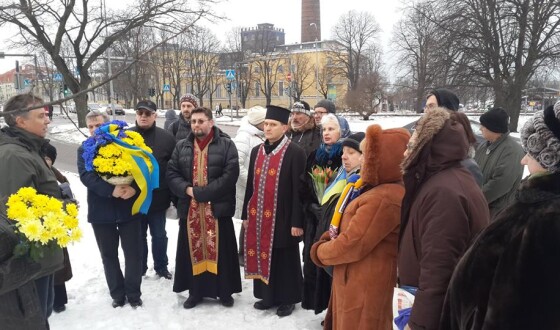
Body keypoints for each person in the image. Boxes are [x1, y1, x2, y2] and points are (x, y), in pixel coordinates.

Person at [440, 103, 560, 330]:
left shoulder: (545, 222)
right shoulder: (534, 210)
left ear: (551, 159)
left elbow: (522, 311)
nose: (524, 161)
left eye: (531, 154)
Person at [398, 107, 490, 330]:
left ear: (427, 148)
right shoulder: (445, 179)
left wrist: (419, 324)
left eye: (411, 145)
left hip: (438, 315)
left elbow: (439, 269)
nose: (404, 153)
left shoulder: (444, 192)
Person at [311, 125, 410, 329]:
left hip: (365, 288)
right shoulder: (374, 189)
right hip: (357, 281)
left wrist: (319, 251)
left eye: (366, 154)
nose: (362, 159)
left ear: (382, 160)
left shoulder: (383, 198)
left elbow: (351, 244)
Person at [0, 94, 64, 329]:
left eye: (46, 114)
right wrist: (62, 209)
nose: (47, 120)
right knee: (33, 319)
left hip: (39, 257)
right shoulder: (14, 155)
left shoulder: (28, 148)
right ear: (20, 121)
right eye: (41, 116)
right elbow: (13, 217)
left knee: (42, 314)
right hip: (27, 262)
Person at [167, 107, 241, 309]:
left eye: (201, 121)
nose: (196, 125)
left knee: (222, 252)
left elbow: (230, 175)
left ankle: (224, 291)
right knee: (192, 251)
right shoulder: (182, 146)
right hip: (190, 210)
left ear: (211, 122)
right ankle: (195, 291)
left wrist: (203, 193)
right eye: (193, 121)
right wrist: (188, 190)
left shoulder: (226, 144)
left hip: (217, 209)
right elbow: (172, 173)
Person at [242, 105, 305, 317]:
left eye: (273, 125)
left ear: (285, 127)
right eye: (266, 124)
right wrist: (245, 215)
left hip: (284, 216)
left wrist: (297, 222)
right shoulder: (256, 151)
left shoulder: (295, 153)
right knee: (262, 253)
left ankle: (288, 298)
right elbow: (250, 186)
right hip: (259, 215)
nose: (267, 128)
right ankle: (266, 296)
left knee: (283, 256)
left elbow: (299, 191)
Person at [78, 110, 144, 308]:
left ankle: (133, 293)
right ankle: (117, 293)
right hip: (101, 210)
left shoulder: (126, 143)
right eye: (90, 126)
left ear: (107, 125)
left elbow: (143, 168)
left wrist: (134, 188)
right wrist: (111, 190)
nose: (94, 130)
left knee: (133, 253)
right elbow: (85, 176)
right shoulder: (84, 149)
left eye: (98, 125)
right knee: (108, 255)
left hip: (128, 207)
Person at [301, 113, 345, 313]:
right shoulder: (314, 156)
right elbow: (303, 186)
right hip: (315, 221)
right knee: (314, 262)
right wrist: (311, 206)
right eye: (324, 130)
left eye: (331, 129)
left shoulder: (345, 156)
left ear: (341, 131)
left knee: (332, 267)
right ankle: (321, 306)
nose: (326, 133)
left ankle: (335, 309)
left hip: (336, 221)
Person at [129, 100, 176, 279]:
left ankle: (161, 266)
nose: (143, 116)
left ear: (155, 116)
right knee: (138, 236)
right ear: (136, 115)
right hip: (134, 199)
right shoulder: (126, 137)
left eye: (147, 113)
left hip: (158, 198)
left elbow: (173, 169)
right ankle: (140, 267)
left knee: (159, 235)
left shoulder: (166, 138)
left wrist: (173, 196)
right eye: (140, 113)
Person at [425, 89, 483, 185]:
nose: (426, 111)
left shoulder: (466, 166)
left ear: (446, 109)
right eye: (426, 107)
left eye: (431, 106)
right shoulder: (429, 148)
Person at [474, 107, 525, 218]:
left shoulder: (512, 150)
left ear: (494, 128)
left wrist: (475, 199)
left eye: (483, 126)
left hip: (498, 212)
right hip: (481, 207)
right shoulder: (483, 146)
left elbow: (501, 183)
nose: (480, 129)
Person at [232, 106, 266, 265]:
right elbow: (237, 165)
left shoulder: (259, 135)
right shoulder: (245, 137)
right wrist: (254, 183)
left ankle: (254, 252)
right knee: (248, 221)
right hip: (248, 188)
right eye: (265, 122)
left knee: (256, 221)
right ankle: (243, 255)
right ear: (259, 123)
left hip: (260, 188)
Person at [42, 143, 74, 314]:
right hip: (39, 222)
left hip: (56, 224)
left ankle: (59, 301)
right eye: (43, 158)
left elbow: (67, 190)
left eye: (48, 159)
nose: (45, 161)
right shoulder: (38, 173)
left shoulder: (55, 174)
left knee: (58, 263)